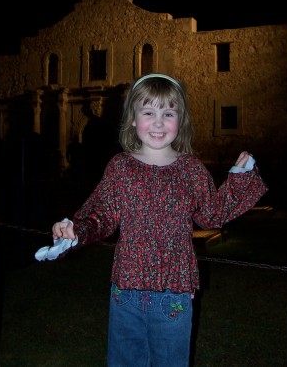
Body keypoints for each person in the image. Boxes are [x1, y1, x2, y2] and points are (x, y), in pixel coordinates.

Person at [35, 73, 268, 367]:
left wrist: (239, 179)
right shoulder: (120, 168)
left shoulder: (191, 170)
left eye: (168, 113)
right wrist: (75, 230)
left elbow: (211, 214)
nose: (158, 122)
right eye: (148, 112)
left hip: (174, 292)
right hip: (125, 293)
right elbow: (101, 214)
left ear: (180, 120)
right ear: (133, 118)